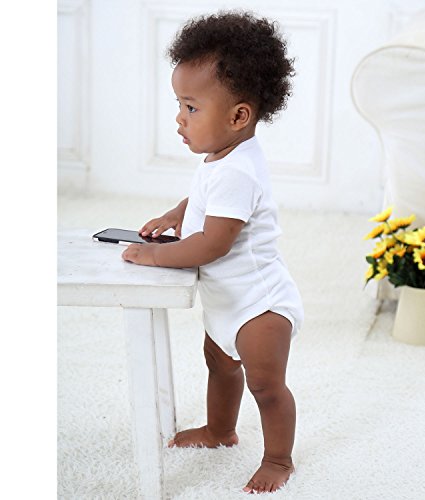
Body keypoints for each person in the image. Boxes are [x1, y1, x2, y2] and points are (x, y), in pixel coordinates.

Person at [122, 10, 304, 494]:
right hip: (227, 299)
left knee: (266, 386)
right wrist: (177, 213)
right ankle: (221, 430)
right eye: (179, 105)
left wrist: (154, 255)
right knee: (220, 364)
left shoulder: (238, 171)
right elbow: (206, 200)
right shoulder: (223, 158)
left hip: (259, 306)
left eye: (191, 107)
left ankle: (279, 459)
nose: (179, 119)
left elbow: (213, 243)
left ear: (238, 116)